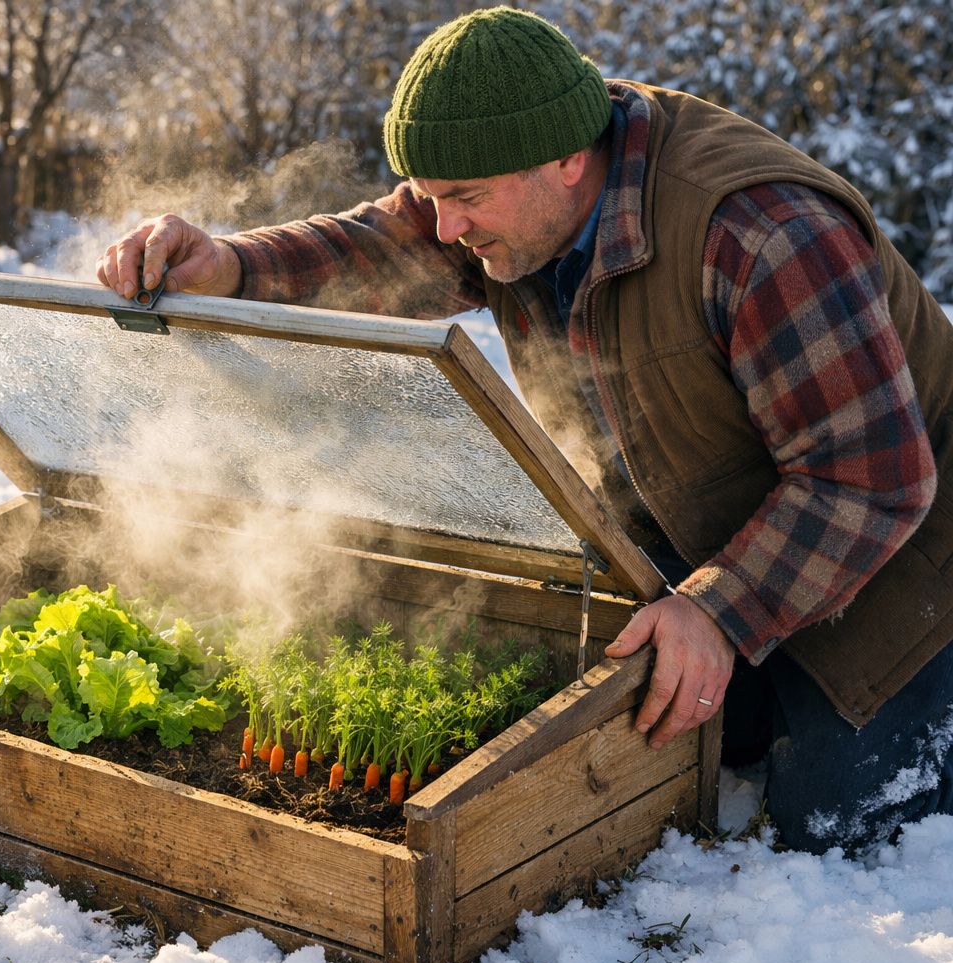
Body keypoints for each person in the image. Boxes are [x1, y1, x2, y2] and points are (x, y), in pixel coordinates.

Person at [96, 6, 953, 855]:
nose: (447, 229)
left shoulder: (761, 234)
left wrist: (720, 613)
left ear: (568, 161)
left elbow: (870, 479)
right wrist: (234, 265)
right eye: (433, 197)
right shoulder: (521, 179)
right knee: (660, 733)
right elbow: (380, 247)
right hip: (733, 519)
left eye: (464, 198)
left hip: (909, 559)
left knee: (831, 835)